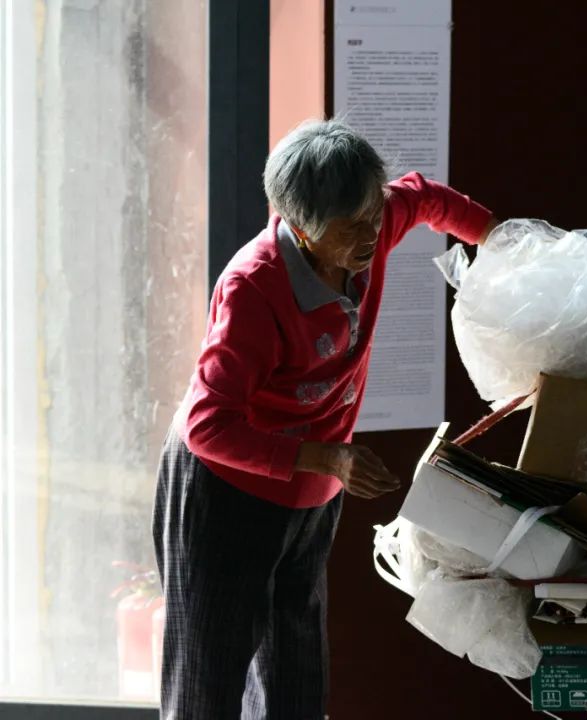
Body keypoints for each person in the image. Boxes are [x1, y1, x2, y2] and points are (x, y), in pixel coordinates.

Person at [153, 119, 497, 717]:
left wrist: (504, 247)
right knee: (207, 687)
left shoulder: (373, 216)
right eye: (352, 228)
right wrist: (328, 457)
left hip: (310, 495)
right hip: (225, 493)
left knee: (295, 689)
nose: (372, 234)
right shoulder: (254, 289)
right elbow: (209, 426)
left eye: (373, 215)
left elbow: (431, 201)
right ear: (303, 228)